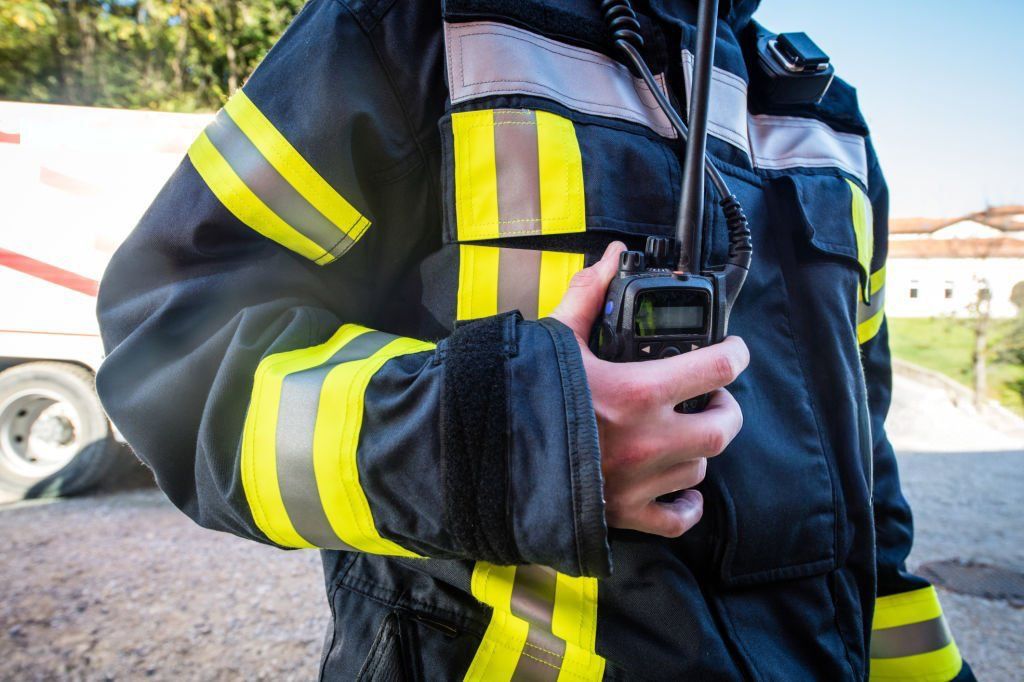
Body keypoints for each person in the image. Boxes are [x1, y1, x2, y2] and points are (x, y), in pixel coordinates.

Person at [95, 0, 974, 679]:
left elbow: (870, 492)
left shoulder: (827, 114)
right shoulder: (411, 25)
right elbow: (171, 350)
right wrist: (507, 443)